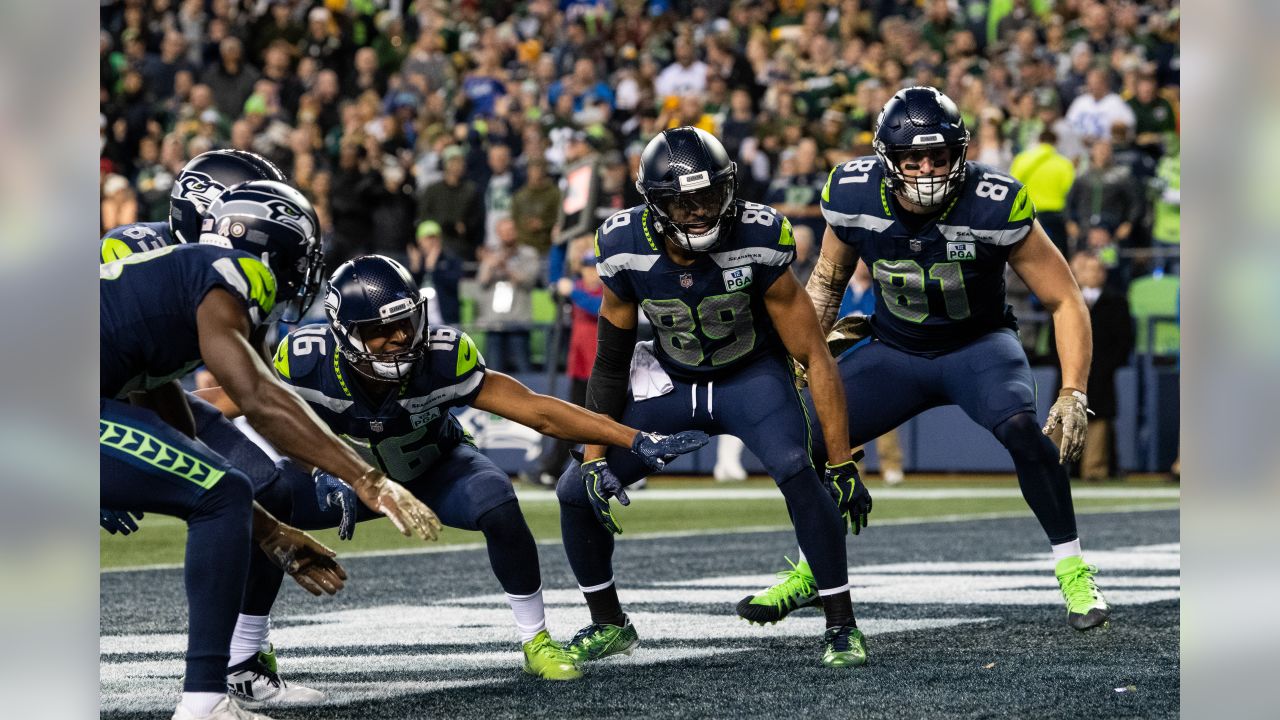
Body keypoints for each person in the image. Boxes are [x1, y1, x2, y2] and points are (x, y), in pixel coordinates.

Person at [743, 87, 1110, 633]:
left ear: (959, 152)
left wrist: (1074, 390)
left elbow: (1064, 298)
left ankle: (1074, 568)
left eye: (939, 157)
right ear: (887, 159)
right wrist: (806, 358)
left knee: (1020, 428)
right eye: (913, 159)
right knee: (807, 441)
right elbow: (826, 283)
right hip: (897, 350)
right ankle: (814, 572)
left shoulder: (994, 199)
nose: (928, 170)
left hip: (978, 347)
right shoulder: (853, 193)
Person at [258, 254, 708, 682]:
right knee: (259, 507)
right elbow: (245, 405)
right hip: (348, 481)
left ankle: (536, 640)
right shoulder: (306, 360)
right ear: (345, 332)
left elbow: (537, 410)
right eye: (381, 329)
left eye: (405, 321)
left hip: (434, 469)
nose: (399, 337)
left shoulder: (442, 355)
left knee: (496, 500)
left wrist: (633, 438)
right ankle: (249, 652)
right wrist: (318, 467)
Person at [101, 181, 440, 720]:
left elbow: (166, 407)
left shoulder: (169, 285)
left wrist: (268, 531)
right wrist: (367, 479)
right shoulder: (235, 275)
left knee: (223, 488)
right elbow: (259, 397)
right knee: (224, 489)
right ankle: (206, 701)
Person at [555, 127, 872, 669]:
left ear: (729, 188)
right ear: (655, 203)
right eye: (682, 200)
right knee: (574, 491)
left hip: (749, 377)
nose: (699, 211)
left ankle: (841, 624)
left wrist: (841, 462)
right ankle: (608, 623)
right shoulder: (622, 247)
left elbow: (815, 356)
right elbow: (610, 361)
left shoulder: (759, 234)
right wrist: (593, 457)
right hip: (671, 382)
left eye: (708, 196)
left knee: (799, 467)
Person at [101, 150, 341, 709]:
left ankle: (240, 662)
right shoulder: (135, 248)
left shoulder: (234, 275)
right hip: (114, 395)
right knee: (223, 491)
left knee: (266, 486)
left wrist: (313, 466)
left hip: (158, 396)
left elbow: (254, 380)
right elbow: (141, 381)